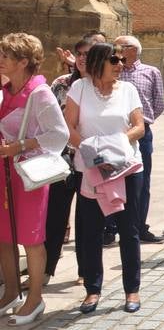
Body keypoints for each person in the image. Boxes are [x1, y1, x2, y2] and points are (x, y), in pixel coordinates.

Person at [64, 41, 145, 315]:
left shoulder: (128, 90)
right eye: (114, 60)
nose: (120, 65)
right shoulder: (79, 88)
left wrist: (114, 147)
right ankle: (92, 290)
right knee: (90, 232)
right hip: (90, 169)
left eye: (121, 60)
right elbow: (69, 126)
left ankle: (131, 290)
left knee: (129, 231)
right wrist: (91, 152)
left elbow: (139, 127)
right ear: (99, 62)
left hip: (125, 168)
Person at [0, 33, 69, 325]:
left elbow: (59, 134)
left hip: (28, 174)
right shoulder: (5, 89)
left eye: (5, 55)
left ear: (23, 61)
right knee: (3, 237)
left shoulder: (39, 93)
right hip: (4, 174)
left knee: (31, 239)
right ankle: (12, 292)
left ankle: (35, 298)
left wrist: (19, 146)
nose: (0, 59)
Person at [43, 38, 92, 284]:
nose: (83, 57)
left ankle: (85, 271)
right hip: (62, 160)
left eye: (88, 54)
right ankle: (46, 269)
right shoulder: (61, 84)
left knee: (86, 220)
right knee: (54, 218)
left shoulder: (101, 86)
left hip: (89, 162)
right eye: (79, 53)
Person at [108, 35, 163, 246]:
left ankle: (139, 226)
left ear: (133, 49)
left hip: (142, 132)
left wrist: (143, 123)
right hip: (114, 131)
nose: (118, 49)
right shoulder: (113, 71)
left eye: (121, 46)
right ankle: (111, 227)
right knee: (111, 178)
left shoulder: (151, 72)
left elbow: (158, 103)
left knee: (142, 181)